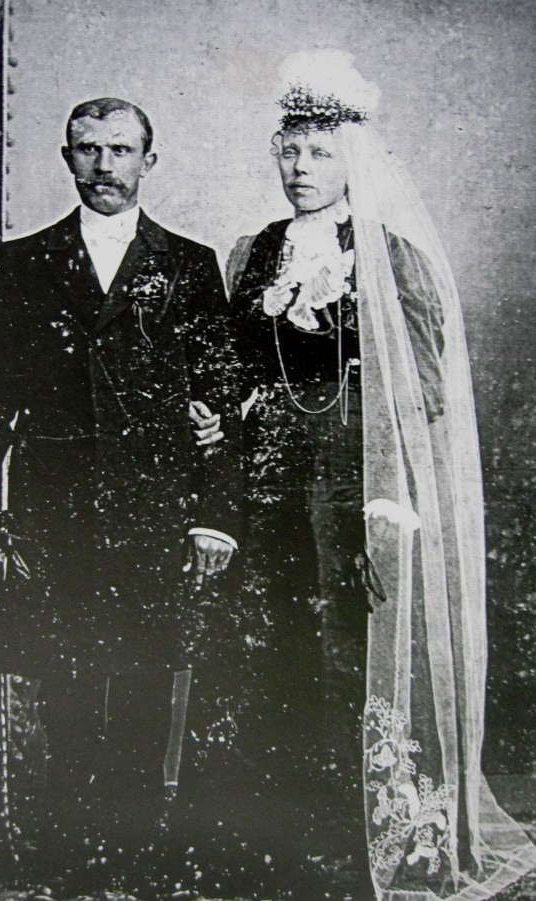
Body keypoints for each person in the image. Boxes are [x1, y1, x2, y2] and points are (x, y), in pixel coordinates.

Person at [197, 50, 536, 900]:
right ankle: (279, 832)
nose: (301, 168)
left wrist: (387, 499)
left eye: (320, 153)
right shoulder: (253, 254)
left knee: (346, 651)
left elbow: (422, 395)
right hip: (267, 484)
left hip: (355, 487)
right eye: (290, 151)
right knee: (269, 645)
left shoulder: (390, 258)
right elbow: (236, 367)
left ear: (352, 159)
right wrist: (221, 409)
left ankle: (361, 838)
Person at [0, 97, 248, 898]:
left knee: (147, 678)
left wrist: (214, 515)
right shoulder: (23, 262)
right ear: (66, 157)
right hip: (55, 507)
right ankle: (67, 852)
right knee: (65, 676)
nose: (104, 165)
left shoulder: (189, 265)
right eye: (88, 149)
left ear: (150, 160)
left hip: (155, 506)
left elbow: (221, 396)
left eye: (120, 149)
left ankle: (138, 853)